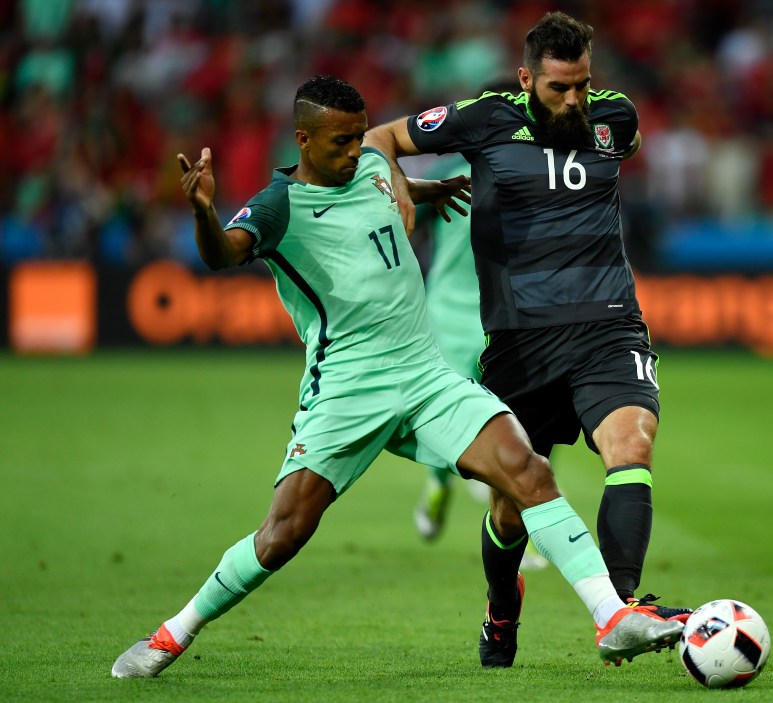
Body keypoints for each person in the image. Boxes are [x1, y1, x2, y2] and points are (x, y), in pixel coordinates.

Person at [110, 74, 683, 679]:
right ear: (302, 139)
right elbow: (222, 253)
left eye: (360, 136)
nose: (356, 150)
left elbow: (384, 179)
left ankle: (610, 617)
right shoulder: (279, 205)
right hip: (349, 388)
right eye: (340, 142)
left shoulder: (371, 165)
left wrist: (429, 189)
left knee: (527, 469)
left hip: (423, 372)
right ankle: (173, 633)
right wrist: (203, 213)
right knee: (283, 534)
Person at [364, 12, 690, 669]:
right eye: (558, 88)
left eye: (582, 85)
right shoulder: (484, 117)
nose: (574, 100)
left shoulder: (614, 116)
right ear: (525, 79)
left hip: (608, 324)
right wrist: (398, 182)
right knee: (514, 506)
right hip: (520, 343)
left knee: (631, 442)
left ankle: (620, 609)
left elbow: (625, 140)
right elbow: (379, 138)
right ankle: (499, 608)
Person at [411, 150, 550, 571]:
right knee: (486, 421)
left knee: (504, 421)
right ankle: (446, 485)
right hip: (482, 312)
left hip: (473, 313)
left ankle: (513, 524)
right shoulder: (529, 172)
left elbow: (412, 221)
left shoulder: (447, 174)